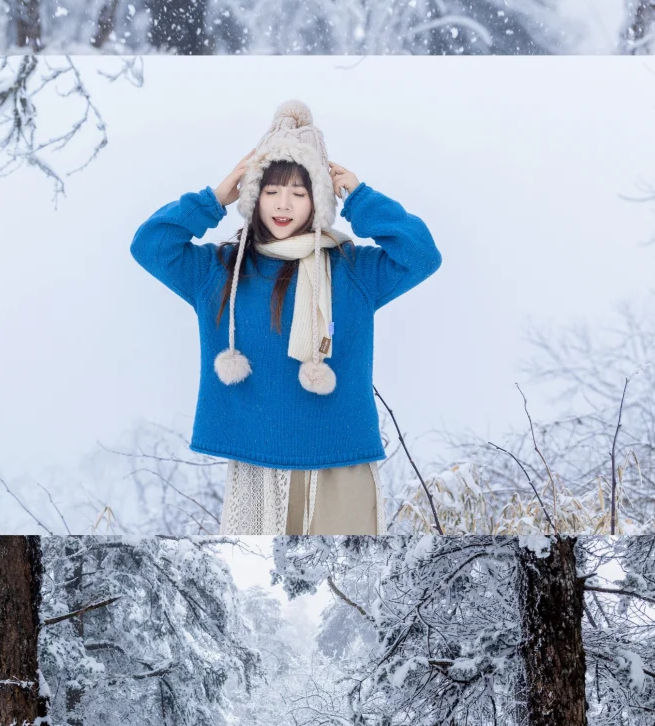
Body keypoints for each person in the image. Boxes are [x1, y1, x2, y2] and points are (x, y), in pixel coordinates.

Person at [130, 100, 442, 536]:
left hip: (340, 463)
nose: (283, 204)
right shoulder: (220, 270)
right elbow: (150, 245)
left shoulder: (351, 269)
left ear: (318, 200)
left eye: (299, 192)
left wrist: (363, 200)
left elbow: (421, 256)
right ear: (252, 197)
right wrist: (214, 198)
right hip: (256, 464)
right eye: (271, 191)